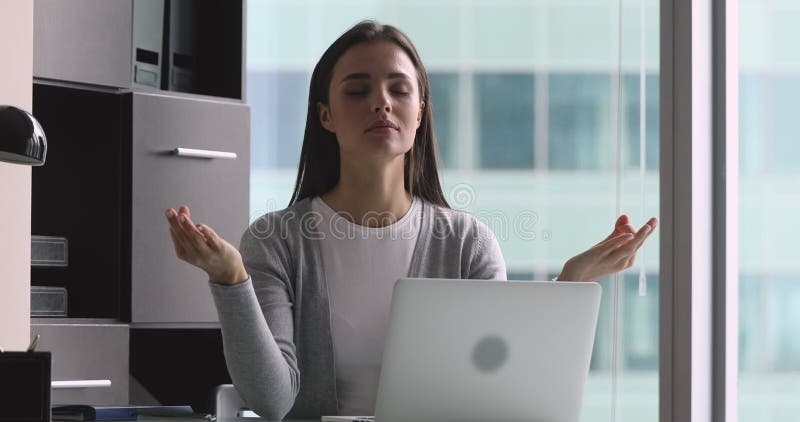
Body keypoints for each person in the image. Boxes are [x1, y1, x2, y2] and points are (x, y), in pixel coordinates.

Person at [164, 20, 657, 420]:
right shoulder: (276, 242)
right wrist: (231, 280)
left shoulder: (467, 243)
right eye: (357, 91)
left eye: (399, 90)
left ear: (420, 111)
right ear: (326, 116)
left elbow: (500, 393)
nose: (381, 102)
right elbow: (273, 401)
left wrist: (569, 286)